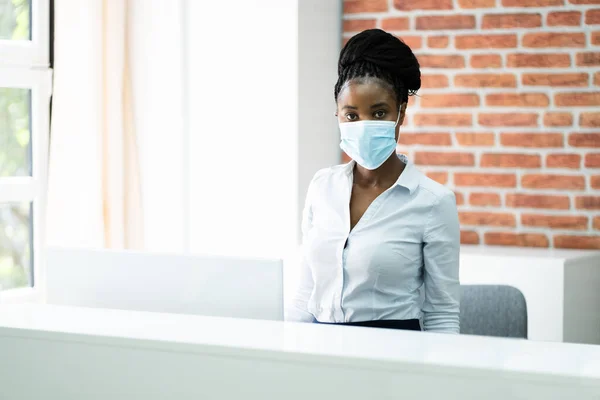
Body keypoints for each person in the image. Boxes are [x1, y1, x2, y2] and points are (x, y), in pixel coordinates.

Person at [286, 29, 460, 333]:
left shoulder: (432, 202)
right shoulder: (321, 187)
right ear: (338, 115)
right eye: (351, 116)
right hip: (318, 350)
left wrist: (437, 378)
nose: (364, 125)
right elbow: (305, 294)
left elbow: (442, 314)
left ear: (400, 113)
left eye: (379, 113)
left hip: (393, 357)